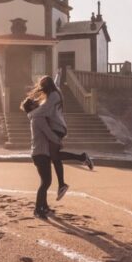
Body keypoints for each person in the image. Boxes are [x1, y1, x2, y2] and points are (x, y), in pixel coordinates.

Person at [23, 76, 94, 205]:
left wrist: (29, 115)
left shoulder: (54, 96)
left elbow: (43, 110)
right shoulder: (53, 94)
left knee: (54, 156)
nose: (41, 90)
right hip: (57, 127)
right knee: (54, 157)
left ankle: (80, 159)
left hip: (57, 128)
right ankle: (62, 183)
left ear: (47, 86)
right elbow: (43, 103)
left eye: (42, 87)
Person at [23, 95, 63, 219]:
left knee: (45, 181)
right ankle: (37, 209)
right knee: (46, 182)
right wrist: (58, 140)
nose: (37, 102)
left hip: (40, 153)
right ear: (31, 107)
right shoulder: (38, 118)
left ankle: (44, 207)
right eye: (34, 102)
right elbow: (48, 132)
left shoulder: (36, 117)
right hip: (40, 153)